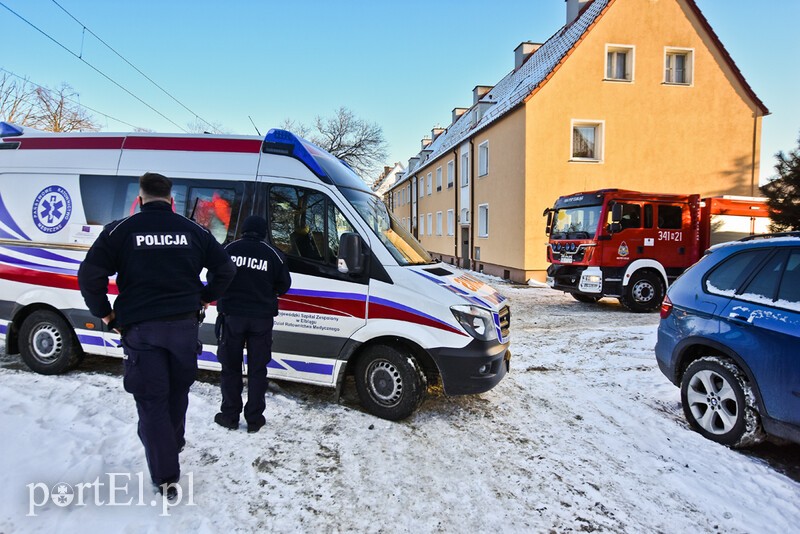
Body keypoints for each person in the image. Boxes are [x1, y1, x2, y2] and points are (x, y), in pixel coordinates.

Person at [77, 172, 236, 499]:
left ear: (140, 198)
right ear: (172, 199)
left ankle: (165, 476)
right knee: (176, 392)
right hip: (183, 328)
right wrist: (205, 297)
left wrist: (105, 314)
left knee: (152, 401)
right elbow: (226, 269)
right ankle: (170, 444)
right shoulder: (194, 230)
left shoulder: (120, 230)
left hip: (142, 330)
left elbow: (89, 276)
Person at [211, 215, 291, 433]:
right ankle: (254, 419)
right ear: (263, 232)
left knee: (230, 368)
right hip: (261, 320)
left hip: (232, 318)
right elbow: (284, 285)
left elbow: (214, 277)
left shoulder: (229, 249)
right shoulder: (273, 254)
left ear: (243, 230)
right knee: (258, 370)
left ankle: (229, 416)